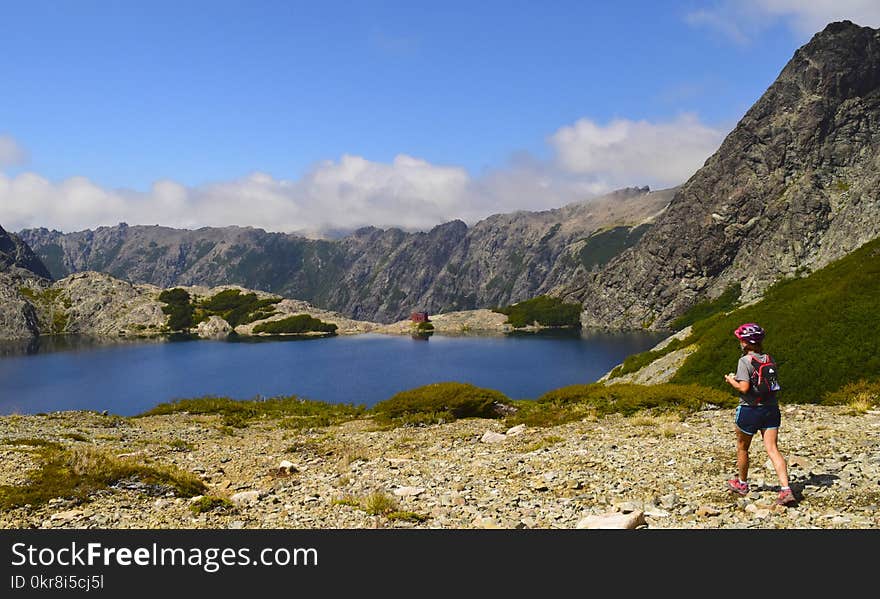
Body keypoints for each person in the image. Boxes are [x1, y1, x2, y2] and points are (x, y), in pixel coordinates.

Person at [722, 322, 796, 506]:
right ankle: (786, 489)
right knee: (772, 449)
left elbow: (744, 388)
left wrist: (731, 380)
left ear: (746, 343)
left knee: (743, 448)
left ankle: (742, 484)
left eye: (741, 340)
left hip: (749, 410)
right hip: (771, 409)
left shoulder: (744, 361)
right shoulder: (769, 359)